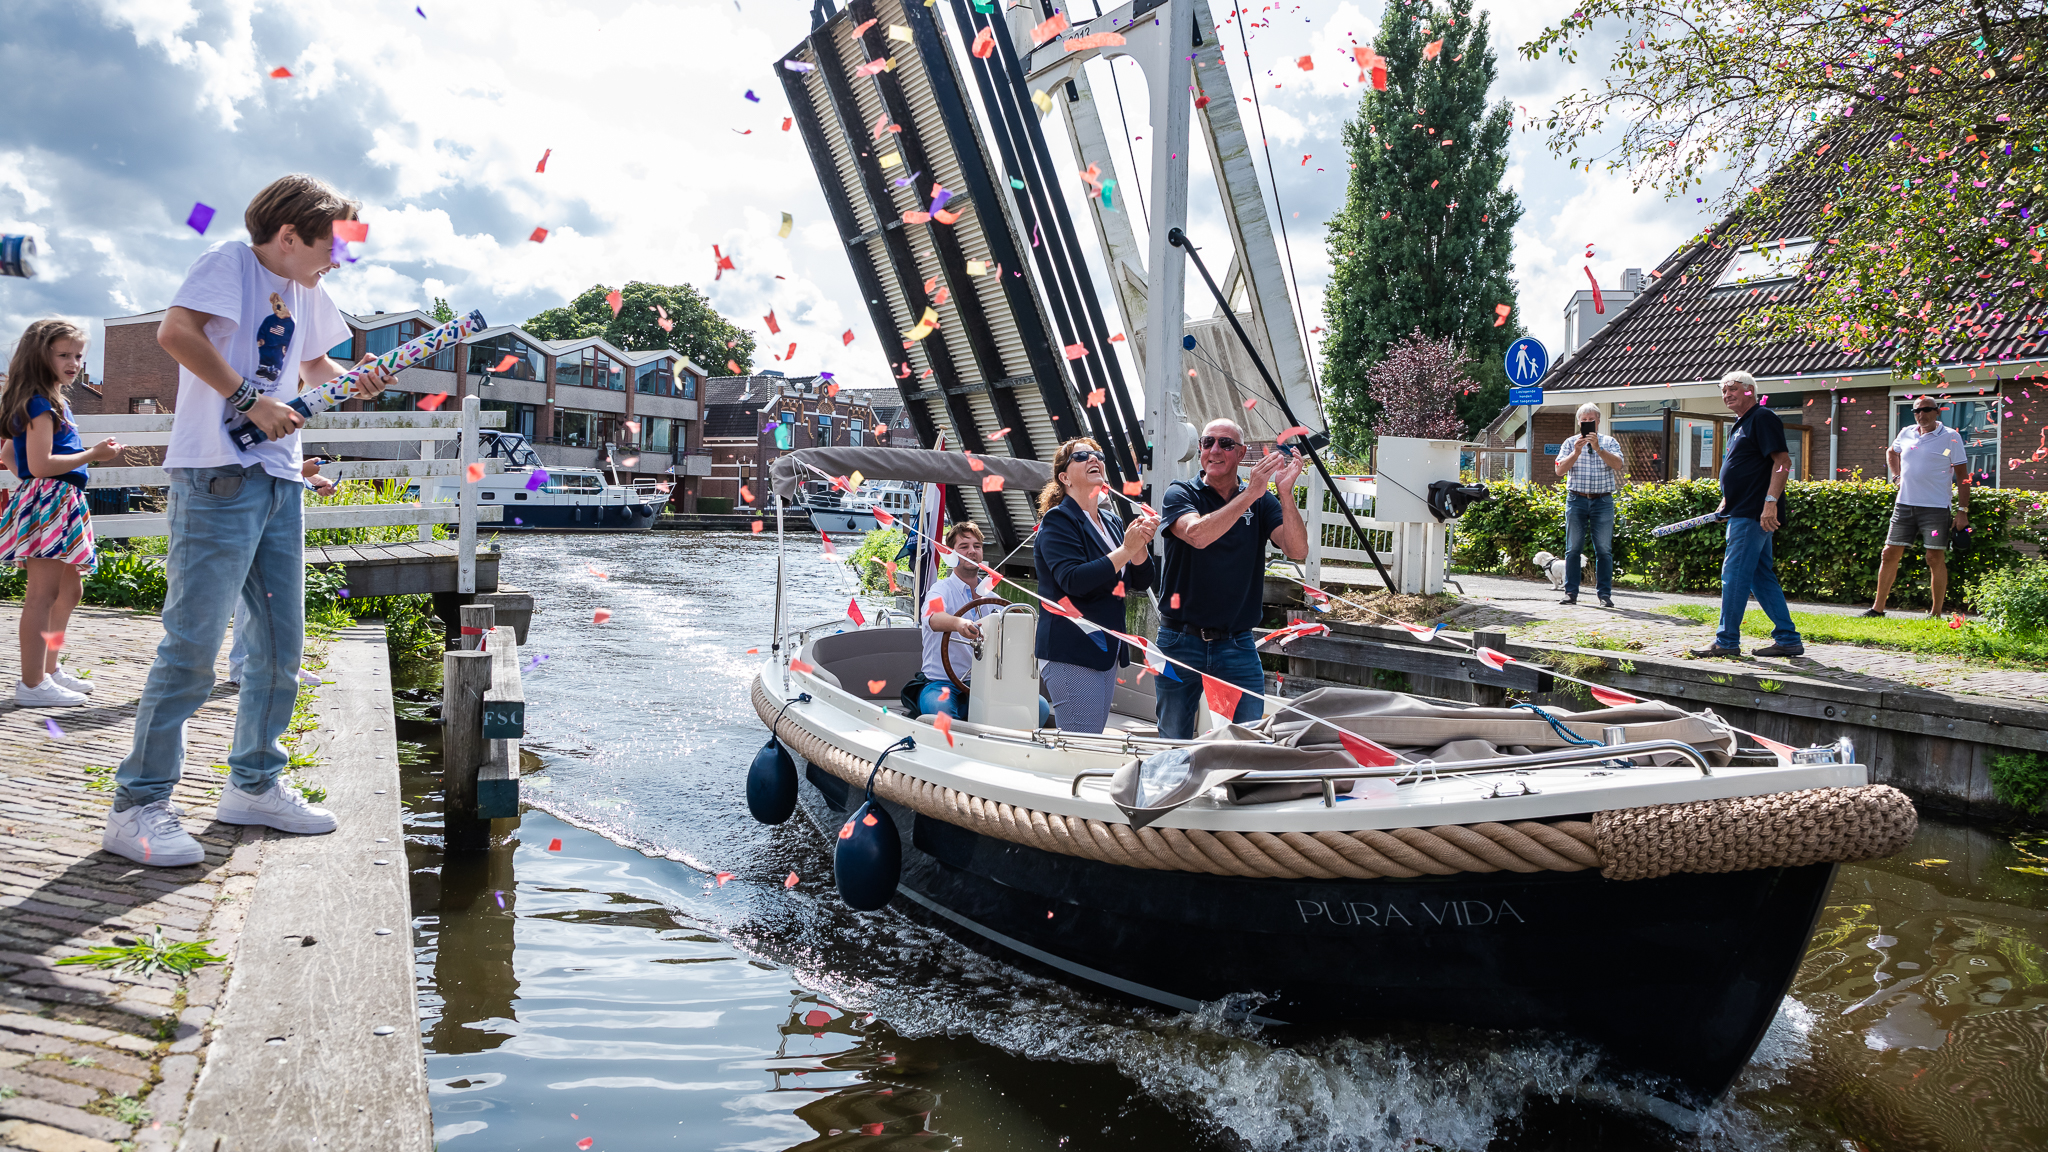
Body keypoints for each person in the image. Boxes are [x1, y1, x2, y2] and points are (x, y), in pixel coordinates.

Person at [102, 174, 394, 869]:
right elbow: (174, 332)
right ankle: (136, 806)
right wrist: (251, 396)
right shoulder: (227, 263)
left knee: (277, 645)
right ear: (289, 235)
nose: (339, 259)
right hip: (216, 474)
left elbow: (317, 366)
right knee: (192, 646)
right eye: (333, 245)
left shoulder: (307, 290)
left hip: (279, 478)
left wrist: (359, 378)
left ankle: (253, 784)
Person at [1156, 418, 1308, 739]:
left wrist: (1285, 493)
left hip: (1237, 644)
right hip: (1180, 640)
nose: (1214, 450)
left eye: (1225, 444)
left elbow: (1297, 549)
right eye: (1208, 442)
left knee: (1245, 741)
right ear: (1200, 450)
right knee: (1173, 739)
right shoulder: (1180, 492)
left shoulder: (1262, 502)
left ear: (1240, 454)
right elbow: (1197, 535)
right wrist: (1252, 492)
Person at [2, 319, 124, 707]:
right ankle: (32, 684)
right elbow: (39, 465)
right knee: (43, 593)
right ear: (41, 356)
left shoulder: (49, 401)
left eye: (78, 355)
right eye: (64, 355)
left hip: (58, 499)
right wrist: (93, 455)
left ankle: (48, 670)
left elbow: (11, 455)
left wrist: (33, 474)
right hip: (52, 500)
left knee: (69, 590)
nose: (73, 362)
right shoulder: (40, 403)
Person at [1034, 437, 1157, 734]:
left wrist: (1139, 547)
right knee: (1081, 744)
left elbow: (1140, 581)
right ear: (1064, 478)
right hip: (1071, 650)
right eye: (1082, 456)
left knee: (1092, 738)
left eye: (1098, 455)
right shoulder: (1059, 520)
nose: (1094, 459)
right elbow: (1074, 581)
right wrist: (1125, 551)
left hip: (1105, 651)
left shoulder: (1112, 522)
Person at [1691, 370, 1803, 659]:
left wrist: (1770, 502)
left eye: (1733, 389)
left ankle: (1726, 641)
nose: (1727, 394)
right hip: (1741, 508)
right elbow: (1746, 468)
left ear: (1750, 391)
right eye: (1724, 391)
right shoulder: (1740, 424)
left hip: (1754, 512)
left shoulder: (1762, 417)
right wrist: (1728, 498)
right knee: (1758, 574)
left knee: (1735, 575)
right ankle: (1788, 638)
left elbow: (1782, 462)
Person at [916, 521, 1052, 726]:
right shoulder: (940, 590)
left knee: (1039, 706)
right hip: (942, 683)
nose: (972, 551)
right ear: (951, 554)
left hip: (989, 684)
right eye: (964, 547)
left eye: (977, 546)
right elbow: (932, 618)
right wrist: (958, 623)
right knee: (941, 712)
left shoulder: (993, 598)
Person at [1866, 398, 1970, 617]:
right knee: (1889, 553)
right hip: (1904, 505)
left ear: (1937, 411)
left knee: (1934, 558)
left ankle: (1936, 613)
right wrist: (1896, 477)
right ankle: (1877, 609)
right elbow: (1891, 452)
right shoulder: (1906, 432)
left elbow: (1963, 476)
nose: (1921, 415)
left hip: (1936, 508)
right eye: (1916, 411)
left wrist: (1962, 511)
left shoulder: (1951, 437)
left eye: (1926, 410)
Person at [1552, 401, 1624, 608]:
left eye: (1591, 420)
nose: (1587, 424)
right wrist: (1575, 453)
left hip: (1602, 500)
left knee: (1604, 549)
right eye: (1584, 421)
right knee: (1573, 548)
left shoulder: (1609, 442)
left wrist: (1598, 449)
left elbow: (1618, 464)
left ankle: (1604, 595)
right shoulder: (1570, 443)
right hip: (1577, 499)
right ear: (1578, 423)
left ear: (1599, 422)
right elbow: (1559, 471)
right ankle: (1570, 593)